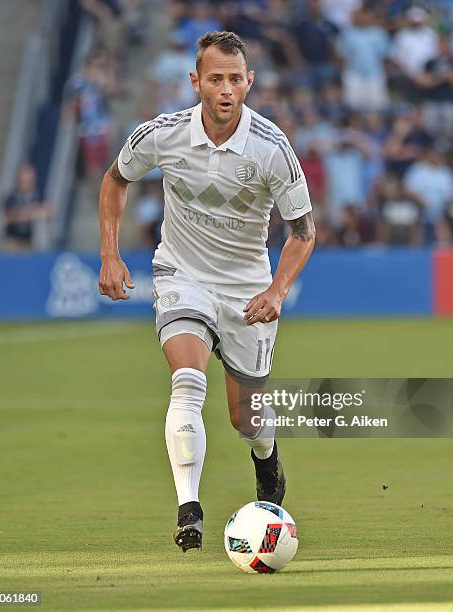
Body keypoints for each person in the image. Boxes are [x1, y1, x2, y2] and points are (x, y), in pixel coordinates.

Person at [98, 31, 315, 553]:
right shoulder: (163, 133)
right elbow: (114, 179)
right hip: (182, 275)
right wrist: (109, 253)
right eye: (214, 78)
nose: (225, 88)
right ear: (195, 81)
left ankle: (267, 460)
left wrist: (277, 290)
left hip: (246, 292)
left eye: (235, 79)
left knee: (247, 419)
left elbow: (303, 231)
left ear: (250, 82)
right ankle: (188, 509)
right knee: (188, 381)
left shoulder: (272, 148)